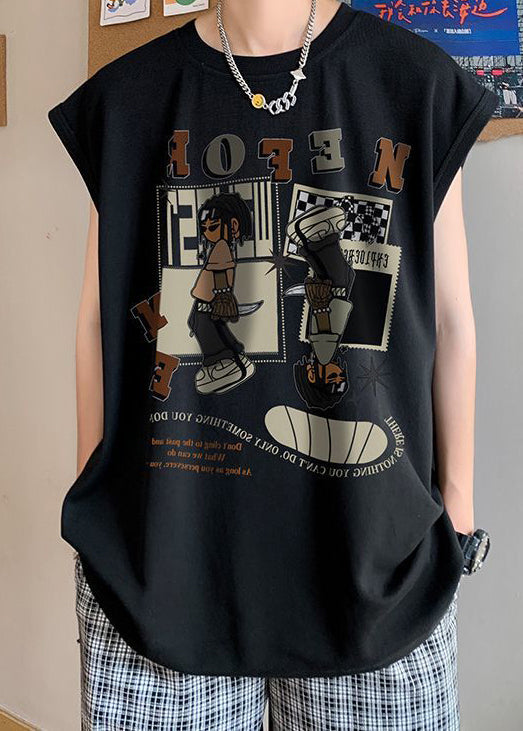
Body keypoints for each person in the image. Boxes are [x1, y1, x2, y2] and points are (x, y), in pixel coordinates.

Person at [48, 0, 495, 728]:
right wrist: (94, 504)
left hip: (376, 574)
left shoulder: (416, 83)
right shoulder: (126, 99)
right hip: (161, 569)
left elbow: (450, 320)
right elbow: (97, 319)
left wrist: (459, 515)